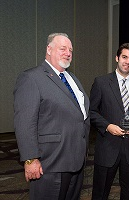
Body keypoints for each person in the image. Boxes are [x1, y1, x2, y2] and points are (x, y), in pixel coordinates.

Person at [13, 33, 90, 200]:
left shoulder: (72, 79)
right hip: (50, 163)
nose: (68, 53)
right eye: (62, 48)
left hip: (76, 160)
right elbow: (25, 122)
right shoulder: (31, 78)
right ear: (49, 49)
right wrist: (30, 159)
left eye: (70, 50)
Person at [90, 43, 129, 200]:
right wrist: (108, 126)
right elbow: (92, 112)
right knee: (100, 193)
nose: (127, 62)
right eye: (124, 57)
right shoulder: (101, 82)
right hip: (107, 147)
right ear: (117, 58)